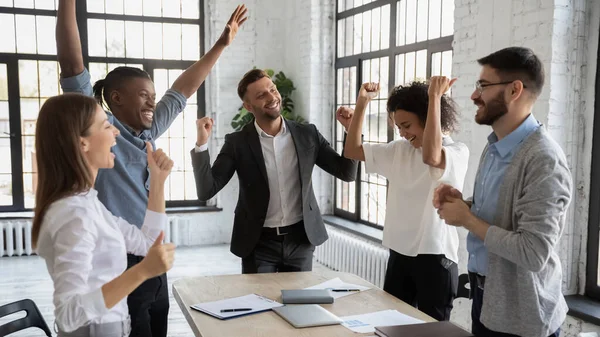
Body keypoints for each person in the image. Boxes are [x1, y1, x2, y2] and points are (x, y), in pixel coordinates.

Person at [54, 1, 247, 335]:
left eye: (153, 96)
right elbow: (72, 65)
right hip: (118, 260)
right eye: (143, 95)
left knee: (158, 325)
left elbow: (184, 88)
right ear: (116, 99)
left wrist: (221, 44)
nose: (152, 103)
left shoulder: (149, 131)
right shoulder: (100, 128)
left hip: (153, 256)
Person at [434, 47, 572, 337]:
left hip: (523, 316)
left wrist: (468, 220)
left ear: (514, 90)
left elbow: (533, 252)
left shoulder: (544, 159)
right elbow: (502, 217)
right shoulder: (495, 145)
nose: (474, 96)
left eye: (483, 86)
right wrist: (464, 205)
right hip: (486, 300)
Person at [33, 93, 175, 336]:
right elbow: (68, 315)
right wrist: (141, 272)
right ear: (82, 143)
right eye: (107, 126)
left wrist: (158, 182)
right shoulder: (73, 214)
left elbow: (147, 243)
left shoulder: (88, 203)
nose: (116, 133)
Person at [191, 68, 358, 273]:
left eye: (273, 89)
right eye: (261, 95)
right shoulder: (237, 143)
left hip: (301, 239)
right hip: (258, 242)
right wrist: (201, 144)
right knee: (260, 304)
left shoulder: (308, 134)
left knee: (299, 303)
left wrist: (352, 130)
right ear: (248, 106)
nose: (272, 97)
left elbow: (347, 172)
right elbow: (207, 190)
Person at [337, 77, 469, 321]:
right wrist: (363, 103)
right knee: (392, 325)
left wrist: (434, 97)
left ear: (428, 118)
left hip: (435, 256)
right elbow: (352, 150)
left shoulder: (456, 152)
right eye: (398, 126)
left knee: (432, 331)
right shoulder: (399, 150)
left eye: (407, 125)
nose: (402, 132)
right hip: (400, 254)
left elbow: (431, 156)